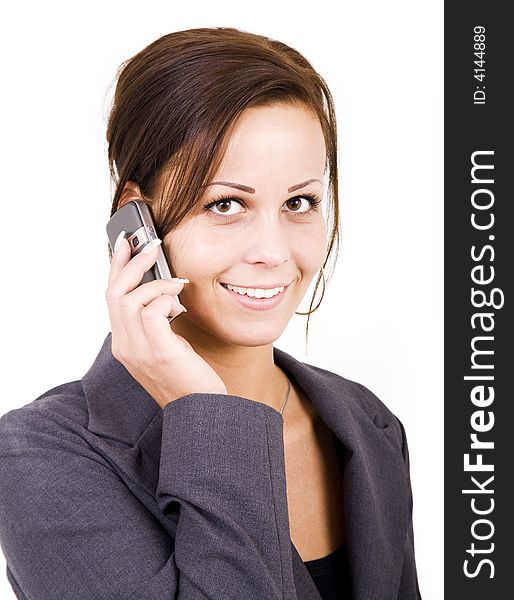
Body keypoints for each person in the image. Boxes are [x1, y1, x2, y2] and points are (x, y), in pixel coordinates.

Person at [0, 27, 421, 600]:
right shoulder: (43, 456)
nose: (273, 252)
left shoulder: (365, 425)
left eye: (300, 202)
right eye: (226, 204)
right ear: (136, 219)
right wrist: (205, 415)